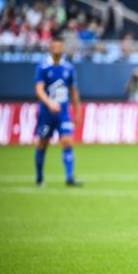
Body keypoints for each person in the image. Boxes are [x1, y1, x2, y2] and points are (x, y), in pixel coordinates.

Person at [34, 36, 82, 187]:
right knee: (43, 143)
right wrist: (49, 103)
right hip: (46, 113)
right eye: (55, 46)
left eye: (60, 46)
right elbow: (39, 90)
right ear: (50, 48)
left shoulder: (68, 68)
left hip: (63, 112)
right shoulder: (43, 67)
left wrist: (78, 111)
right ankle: (40, 177)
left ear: (63, 48)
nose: (58, 49)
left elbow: (74, 92)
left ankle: (70, 177)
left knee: (67, 141)